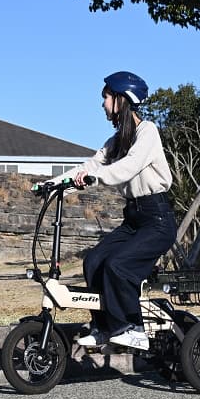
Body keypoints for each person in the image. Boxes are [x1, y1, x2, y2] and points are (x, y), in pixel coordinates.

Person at [50, 71, 176, 350]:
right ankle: (104, 328)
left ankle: (132, 327)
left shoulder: (148, 132)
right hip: (133, 217)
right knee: (94, 261)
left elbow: (130, 165)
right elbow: (90, 166)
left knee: (119, 265)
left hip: (157, 219)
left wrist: (100, 177)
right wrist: (52, 185)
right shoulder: (117, 140)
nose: (103, 104)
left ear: (122, 99)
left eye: (106, 97)